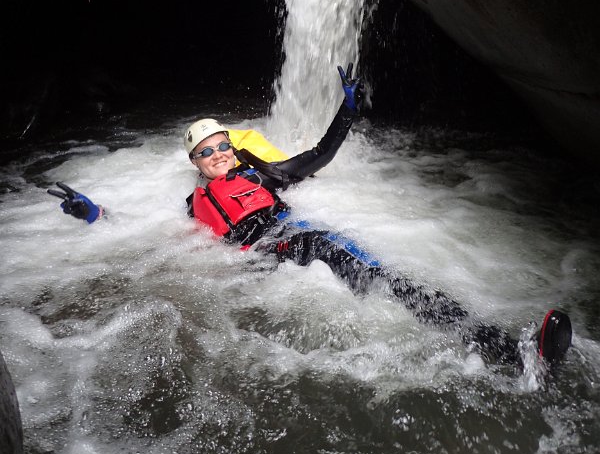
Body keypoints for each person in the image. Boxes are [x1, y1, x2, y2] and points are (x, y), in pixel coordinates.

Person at [48, 64, 572, 370]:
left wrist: (348, 111)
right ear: (195, 163)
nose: (219, 155)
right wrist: (94, 214)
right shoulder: (193, 205)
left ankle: (506, 351)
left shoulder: (263, 176)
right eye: (207, 152)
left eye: (223, 146)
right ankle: (510, 356)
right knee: (375, 278)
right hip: (266, 257)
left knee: (388, 282)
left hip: (291, 243)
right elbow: (144, 230)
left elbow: (318, 156)